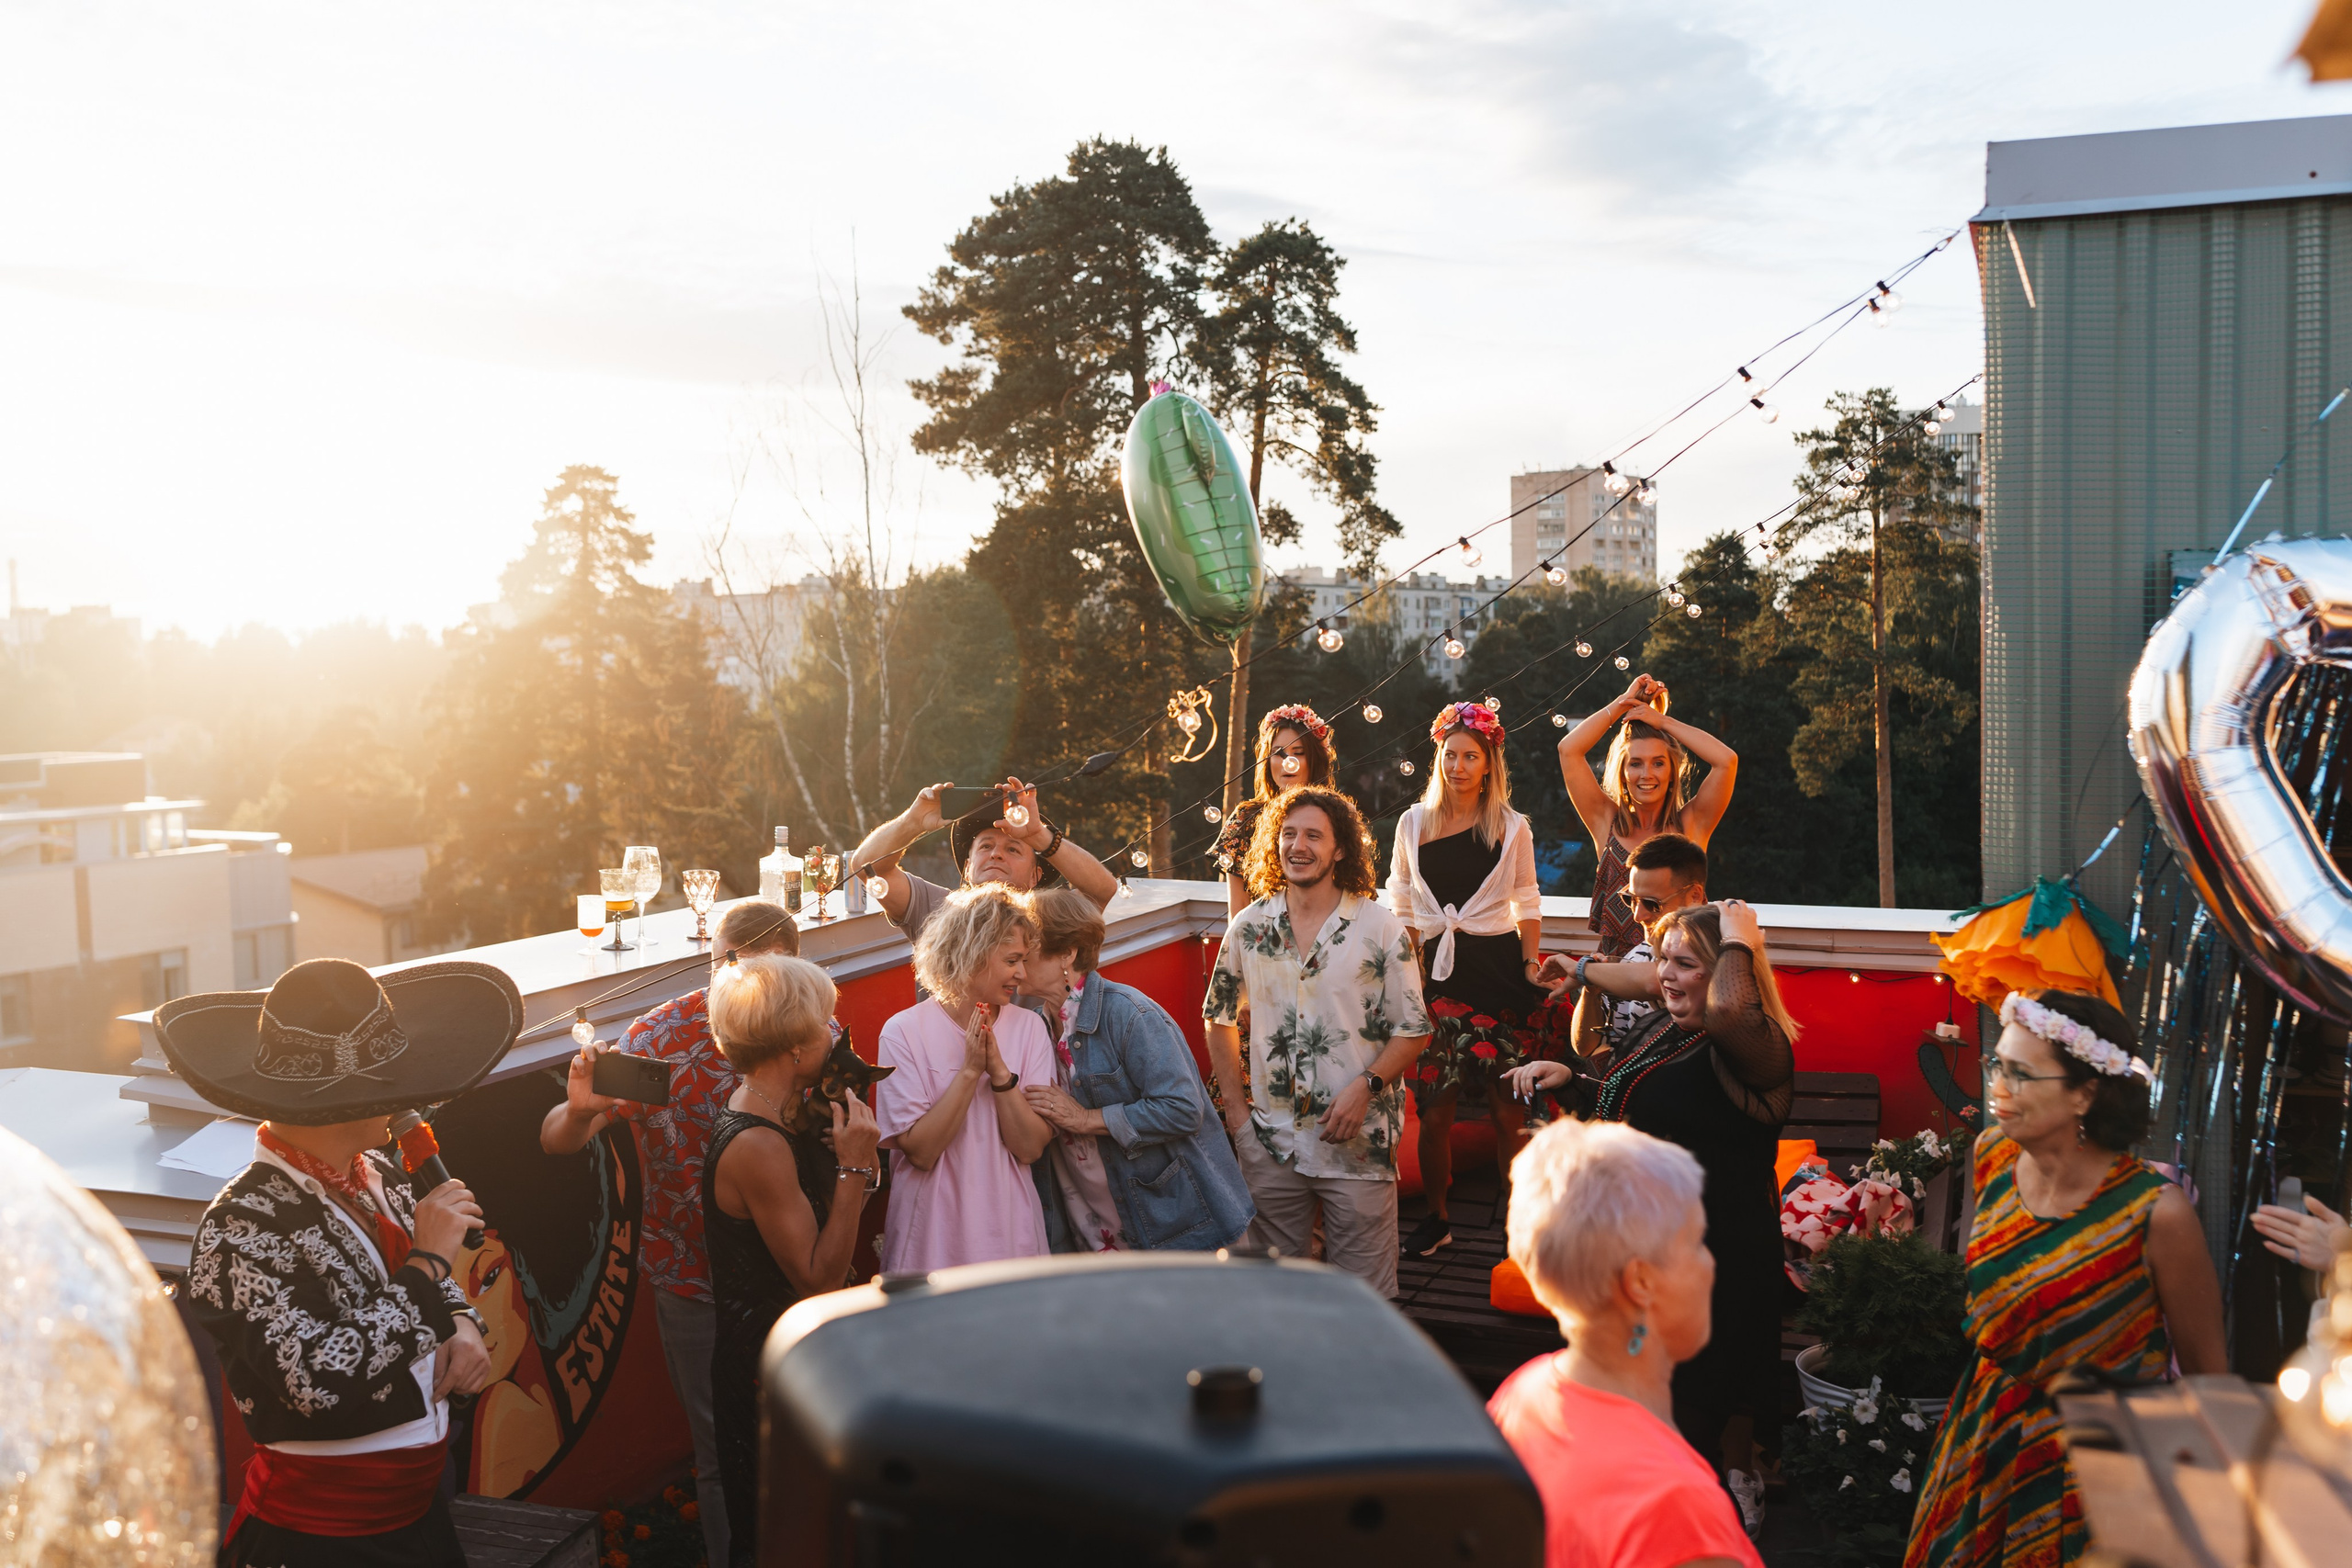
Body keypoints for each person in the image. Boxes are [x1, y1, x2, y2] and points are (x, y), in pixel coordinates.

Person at [157, 957, 522, 1568]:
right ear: (346, 1102)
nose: (412, 1097)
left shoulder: (375, 1171)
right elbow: (315, 1380)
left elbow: (408, 1279)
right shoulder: (238, 1225)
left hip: (421, 1516)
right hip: (322, 1543)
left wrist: (458, 1317)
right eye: (395, 1083)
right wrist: (433, 1261)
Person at [1905, 989, 2226, 1568]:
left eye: (2023, 1074)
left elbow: (2208, 1378)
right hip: (1984, 1439)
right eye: (1997, 1064)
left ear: (2085, 1093)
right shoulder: (1992, 1157)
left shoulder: (2156, 1214)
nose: (1998, 1087)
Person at [538, 898, 802, 1567]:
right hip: (692, 1279)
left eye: (768, 973)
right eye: (730, 968)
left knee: (799, 1440)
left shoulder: (806, 1023)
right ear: (713, 962)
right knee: (717, 1456)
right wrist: (578, 1114)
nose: (743, 985)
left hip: (788, 1269)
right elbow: (558, 1139)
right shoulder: (659, 1036)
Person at [1509, 901, 1793, 1516]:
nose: (1664, 974)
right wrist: (1575, 1083)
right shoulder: (1671, 1026)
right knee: (1655, 1411)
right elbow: (1640, 1108)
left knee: (1695, 1410)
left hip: (1716, 1259)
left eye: (1685, 963)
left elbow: (1730, 1013)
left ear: (1725, 974)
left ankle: (1695, 1522)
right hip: (1652, 1250)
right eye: (1663, 958)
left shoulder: (1753, 1047)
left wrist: (1740, 940)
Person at [1488, 1117, 1765, 1568]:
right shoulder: (1678, 1510)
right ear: (1640, 1281)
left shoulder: (1524, 1388)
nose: (1711, 1264)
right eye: (1696, 1242)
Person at [1204, 785, 1432, 1297]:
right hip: (1269, 1140)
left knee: (1365, 1298)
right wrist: (1238, 1116)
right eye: (1288, 834)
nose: (1298, 846)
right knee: (1275, 1295)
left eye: (1313, 835)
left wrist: (1366, 1087)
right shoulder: (1249, 927)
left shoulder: (1379, 928)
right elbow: (1217, 1016)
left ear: (1341, 849)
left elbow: (1414, 1029)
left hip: (1358, 1143)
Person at [702, 953, 879, 1568]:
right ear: (793, 1048)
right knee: (787, 1541)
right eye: (825, 1022)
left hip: (784, 1355)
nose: (835, 1033)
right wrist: (856, 1166)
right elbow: (818, 1276)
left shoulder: (771, 1104)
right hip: (768, 1370)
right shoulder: (757, 1142)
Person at [1385, 700, 1562, 1259]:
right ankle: (1438, 1218)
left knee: (1507, 1114)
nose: (1458, 765)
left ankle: (1519, 1227)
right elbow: (1401, 899)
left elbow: (1527, 900)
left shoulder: (1511, 828)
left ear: (1489, 764)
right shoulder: (1413, 822)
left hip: (1500, 979)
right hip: (1432, 987)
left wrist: (1531, 964)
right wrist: (1405, 965)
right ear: (1437, 757)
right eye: (1449, 754)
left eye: (1470, 756)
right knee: (1433, 1112)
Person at [1016, 887, 1254, 1251]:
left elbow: (1183, 1109)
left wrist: (1086, 1119)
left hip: (1175, 1228)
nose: (1016, 963)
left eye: (1026, 951)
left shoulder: (1129, 1014)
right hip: (1091, 1228)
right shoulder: (1033, 1026)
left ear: (1066, 952)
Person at [875, 882, 1057, 1269]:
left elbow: (1029, 1149)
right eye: (1012, 960)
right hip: (930, 1241)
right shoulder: (903, 1031)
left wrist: (1001, 1076)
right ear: (971, 954)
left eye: (1024, 960)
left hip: (1011, 1235)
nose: (1022, 974)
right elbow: (921, 1153)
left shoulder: (1030, 1028)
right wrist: (971, 1070)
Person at [1557, 673, 1737, 960]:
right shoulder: (1606, 822)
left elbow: (1726, 761)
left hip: (1681, 972)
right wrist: (1622, 703)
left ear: (1672, 772)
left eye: (1658, 763)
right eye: (1636, 764)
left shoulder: (1691, 824)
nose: (1647, 775)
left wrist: (1663, 721)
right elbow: (1569, 750)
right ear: (1623, 772)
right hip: (1615, 976)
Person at [852, 775, 1119, 946]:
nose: (996, 853)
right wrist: (912, 822)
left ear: (1035, 876)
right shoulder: (936, 909)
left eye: (1013, 849)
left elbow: (1103, 891)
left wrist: (1039, 835)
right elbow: (866, 868)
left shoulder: (1048, 918)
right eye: (986, 846)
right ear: (967, 868)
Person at [1541, 832, 1712, 1065]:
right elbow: (1586, 1047)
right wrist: (1592, 989)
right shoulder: (1638, 952)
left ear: (1695, 895)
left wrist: (1583, 970)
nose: (1638, 915)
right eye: (1630, 899)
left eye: (1652, 904)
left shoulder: (1713, 943)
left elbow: (1655, 982)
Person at [1216, 704, 1340, 917]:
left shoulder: (1337, 815)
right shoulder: (1245, 818)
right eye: (1278, 753)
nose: (1287, 762)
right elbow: (1237, 909)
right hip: (1261, 941)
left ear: (1314, 759)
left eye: (1298, 753)